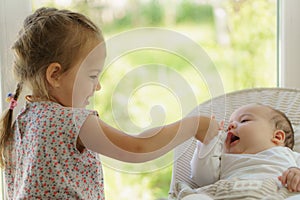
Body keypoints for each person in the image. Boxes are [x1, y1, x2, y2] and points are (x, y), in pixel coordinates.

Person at [0, 7, 217, 199]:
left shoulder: (20, 123)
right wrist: (194, 125)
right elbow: (137, 147)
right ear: (55, 74)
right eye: (93, 76)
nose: (98, 87)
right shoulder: (70, 122)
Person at [175, 103, 300, 200]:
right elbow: (202, 178)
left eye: (244, 120)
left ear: (277, 137)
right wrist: (209, 142)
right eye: (229, 124)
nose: (230, 126)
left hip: (277, 194)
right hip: (229, 194)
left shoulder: (288, 155)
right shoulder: (222, 158)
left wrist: (297, 175)